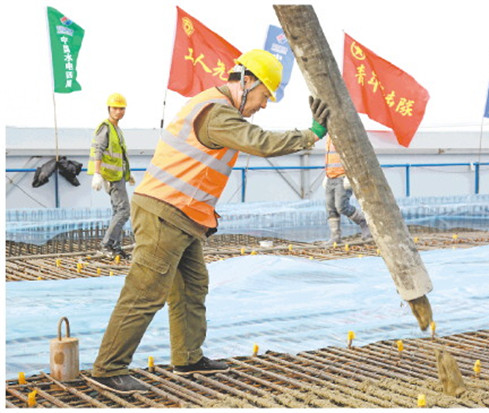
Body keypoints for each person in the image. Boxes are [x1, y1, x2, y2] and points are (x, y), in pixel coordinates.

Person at [89, 49, 330, 395]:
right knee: (145, 291)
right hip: (165, 211)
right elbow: (259, 142)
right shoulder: (217, 113)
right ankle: (108, 369)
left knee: (192, 286)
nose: (264, 105)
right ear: (247, 83)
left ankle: (187, 358)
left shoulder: (216, 107)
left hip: (182, 215)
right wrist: (311, 134)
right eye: (264, 96)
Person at [88, 93, 135, 260]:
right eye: (115, 108)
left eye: (122, 108)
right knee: (124, 211)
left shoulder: (117, 129)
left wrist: (127, 175)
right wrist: (97, 173)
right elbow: (98, 150)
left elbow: (119, 154)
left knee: (118, 210)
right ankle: (107, 245)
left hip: (117, 175)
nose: (119, 111)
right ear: (109, 109)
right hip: (110, 176)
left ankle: (115, 247)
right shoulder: (105, 127)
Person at [323, 135, 371, 244]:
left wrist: (350, 176)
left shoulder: (343, 134)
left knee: (341, 206)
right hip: (330, 176)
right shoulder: (329, 138)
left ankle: (364, 222)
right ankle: (335, 237)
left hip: (343, 177)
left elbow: (354, 156)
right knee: (331, 208)